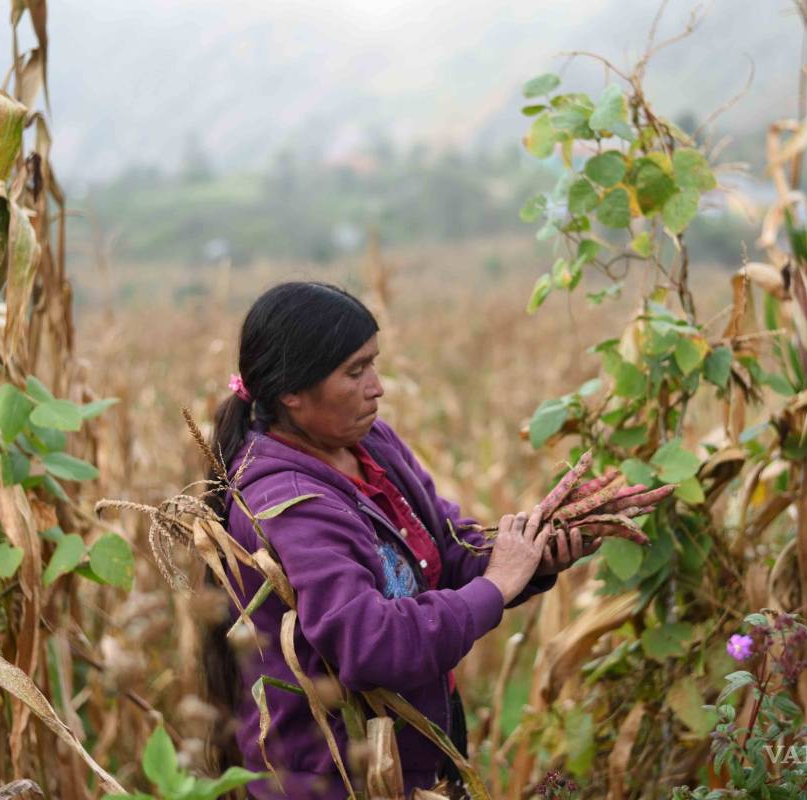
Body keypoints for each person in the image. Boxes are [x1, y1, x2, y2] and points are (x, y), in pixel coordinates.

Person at [203, 281, 600, 799]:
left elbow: (445, 549)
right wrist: (498, 585)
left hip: (415, 751)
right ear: (290, 393)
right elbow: (371, 645)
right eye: (354, 371)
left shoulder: (369, 445)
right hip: (342, 777)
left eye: (374, 363)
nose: (377, 386)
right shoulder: (289, 504)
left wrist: (535, 552)